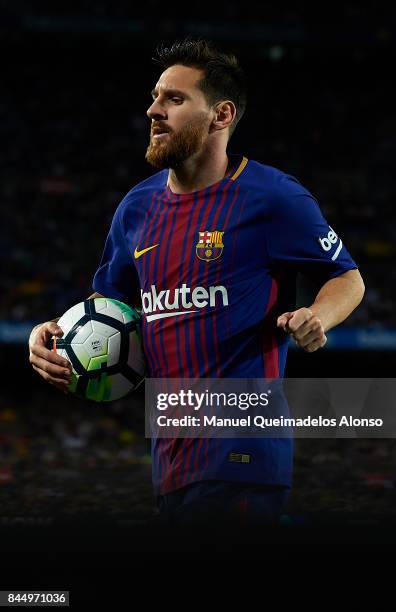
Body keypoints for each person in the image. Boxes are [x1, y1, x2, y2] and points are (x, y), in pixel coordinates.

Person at [28, 38, 365, 525]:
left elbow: (347, 277)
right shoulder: (136, 209)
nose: (153, 110)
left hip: (245, 455)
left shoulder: (272, 197)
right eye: (155, 96)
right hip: (171, 463)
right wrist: (55, 333)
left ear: (221, 114)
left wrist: (318, 315)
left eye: (174, 99)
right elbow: (110, 306)